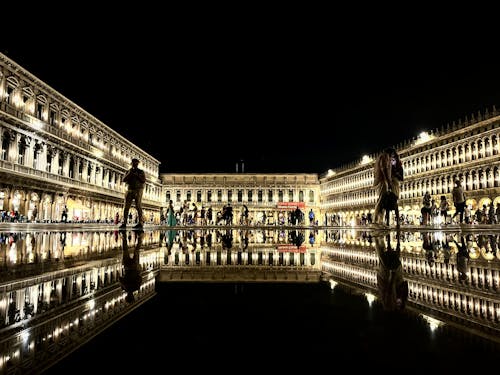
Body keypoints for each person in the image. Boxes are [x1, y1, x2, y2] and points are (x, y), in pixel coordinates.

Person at [374, 231, 408, 311]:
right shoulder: (393, 304)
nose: (398, 303)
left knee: (382, 258)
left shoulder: (389, 305)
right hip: (393, 278)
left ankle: (377, 238)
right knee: (382, 257)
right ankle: (376, 238)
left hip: (387, 279)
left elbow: (389, 291)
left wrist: (392, 276)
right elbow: (403, 287)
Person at [373, 147, 404, 228]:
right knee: (381, 201)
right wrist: (388, 181)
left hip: (384, 181)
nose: (392, 157)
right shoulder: (384, 156)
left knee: (382, 201)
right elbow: (384, 169)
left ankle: (379, 221)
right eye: (392, 155)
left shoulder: (383, 157)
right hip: (384, 181)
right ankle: (376, 221)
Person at [119, 158, 146, 229]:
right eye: (133, 163)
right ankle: (124, 222)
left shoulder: (141, 171)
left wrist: (137, 175)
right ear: (132, 164)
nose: (135, 164)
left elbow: (143, 180)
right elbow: (124, 179)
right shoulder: (128, 171)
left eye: (136, 163)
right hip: (129, 189)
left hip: (138, 190)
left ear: (138, 164)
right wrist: (130, 174)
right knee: (126, 207)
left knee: (138, 206)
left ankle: (140, 222)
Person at [119, 230, 144, 303]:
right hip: (127, 267)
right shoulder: (124, 287)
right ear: (127, 296)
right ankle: (124, 237)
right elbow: (120, 279)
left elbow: (140, 278)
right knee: (125, 250)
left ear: (132, 296)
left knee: (136, 250)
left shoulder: (136, 287)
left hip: (134, 267)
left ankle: (140, 237)